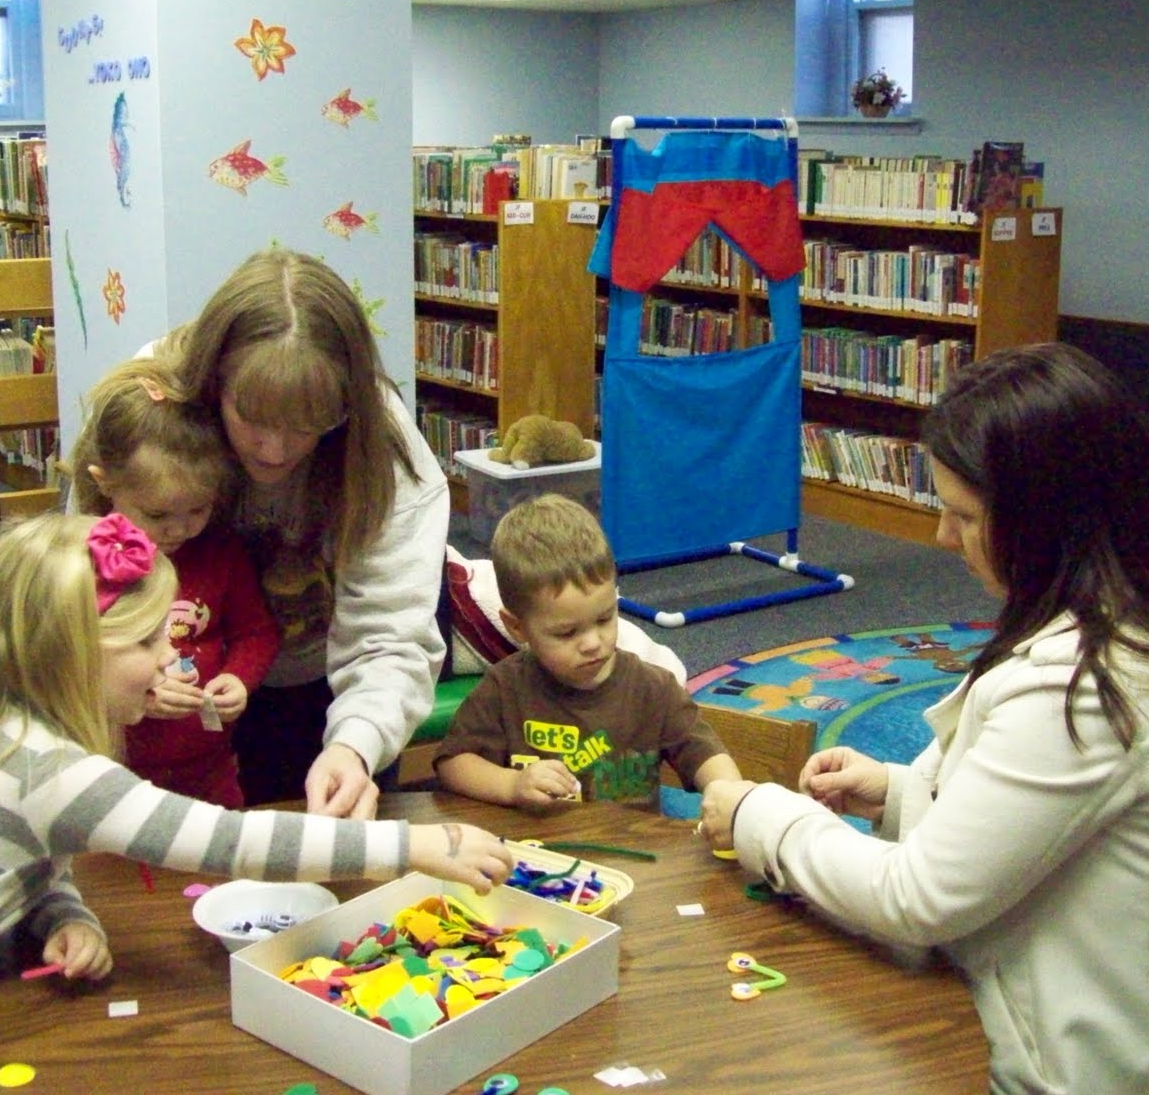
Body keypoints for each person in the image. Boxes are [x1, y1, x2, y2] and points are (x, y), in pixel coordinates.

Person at [0, 512, 512, 1095]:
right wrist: (410, 849)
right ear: (71, 658)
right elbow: (228, 843)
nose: (174, 659)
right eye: (146, 644)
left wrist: (65, 915)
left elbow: (30, 858)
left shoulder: (29, 741)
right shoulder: (45, 769)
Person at [699, 342, 1149, 1094]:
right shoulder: (1125, 622)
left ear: (1050, 521)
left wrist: (763, 816)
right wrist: (896, 791)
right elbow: (1044, 824)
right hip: (1057, 1008)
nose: (941, 539)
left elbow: (915, 898)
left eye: (963, 516)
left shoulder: (1086, 687)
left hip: (1073, 1068)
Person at [155, 247, 449, 819]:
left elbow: (390, 635)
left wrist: (355, 744)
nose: (276, 450)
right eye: (253, 419)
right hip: (183, 681)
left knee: (334, 844)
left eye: (308, 426)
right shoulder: (151, 410)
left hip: (333, 677)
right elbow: (93, 583)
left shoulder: (384, 444)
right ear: (214, 383)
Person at [434, 494, 741, 809]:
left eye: (605, 618)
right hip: (540, 849)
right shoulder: (504, 688)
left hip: (628, 850)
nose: (593, 642)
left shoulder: (653, 688)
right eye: (567, 632)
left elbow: (705, 754)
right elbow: (453, 764)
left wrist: (731, 794)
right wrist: (512, 784)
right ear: (518, 629)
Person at [69, 356, 279, 807]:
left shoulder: (219, 553)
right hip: (114, 771)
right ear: (105, 484)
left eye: (198, 510)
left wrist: (238, 679)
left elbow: (255, 631)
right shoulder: (87, 562)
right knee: (118, 877)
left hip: (211, 768)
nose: (179, 530)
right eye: (158, 515)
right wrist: (136, 694)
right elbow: (66, 663)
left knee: (220, 869)